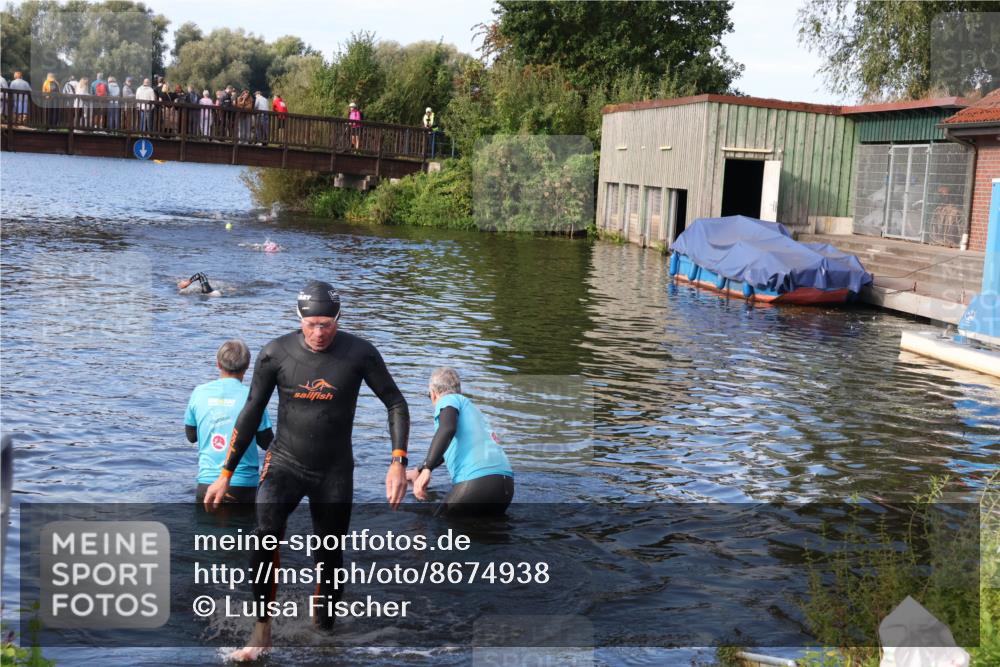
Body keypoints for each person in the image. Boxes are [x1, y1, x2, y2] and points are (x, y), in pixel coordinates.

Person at [202, 280, 409, 661]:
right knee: (264, 537)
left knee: (329, 555)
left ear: (338, 319)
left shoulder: (359, 353)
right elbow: (249, 413)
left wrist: (398, 461)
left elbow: (395, 402)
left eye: (327, 324)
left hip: (334, 471)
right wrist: (225, 472)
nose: (319, 332)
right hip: (284, 463)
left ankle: (323, 633)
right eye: (312, 324)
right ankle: (261, 632)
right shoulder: (274, 354)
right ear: (299, 320)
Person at [407, 367, 514, 516]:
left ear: (433, 393)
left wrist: (427, 470)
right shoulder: (473, 410)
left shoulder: (448, 400)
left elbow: (447, 429)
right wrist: (419, 469)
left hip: (477, 483)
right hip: (505, 486)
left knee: (437, 525)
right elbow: (448, 447)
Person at [186, 340, 274, 505]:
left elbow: (191, 436)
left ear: (218, 364)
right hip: (243, 486)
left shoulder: (199, 393)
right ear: (247, 367)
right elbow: (266, 442)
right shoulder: (253, 396)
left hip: (207, 483)